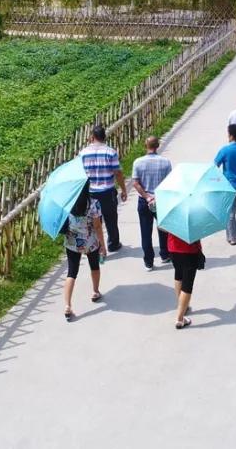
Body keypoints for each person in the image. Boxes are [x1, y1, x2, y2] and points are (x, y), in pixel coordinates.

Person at [61, 181, 105, 321]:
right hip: (90, 241)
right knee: (94, 266)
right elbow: (97, 226)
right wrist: (102, 245)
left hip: (72, 242)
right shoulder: (93, 203)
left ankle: (67, 305)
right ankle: (95, 291)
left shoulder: (68, 203)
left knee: (71, 272)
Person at [80, 124, 126, 252]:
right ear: (104, 137)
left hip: (91, 193)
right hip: (107, 191)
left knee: (94, 221)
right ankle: (113, 243)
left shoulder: (83, 154)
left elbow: (80, 174)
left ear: (92, 137)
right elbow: (117, 172)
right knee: (111, 219)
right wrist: (123, 189)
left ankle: (96, 245)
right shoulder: (110, 152)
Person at [131, 135, 172, 271]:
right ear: (158, 146)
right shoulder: (166, 162)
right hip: (161, 199)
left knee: (145, 231)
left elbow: (136, 183)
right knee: (163, 228)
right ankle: (165, 254)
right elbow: (169, 182)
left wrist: (147, 196)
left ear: (145, 145)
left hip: (144, 201)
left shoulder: (138, 162)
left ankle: (148, 261)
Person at [167, 230, 202, 330]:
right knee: (187, 284)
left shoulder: (172, 214)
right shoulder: (195, 214)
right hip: (189, 249)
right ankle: (180, 318)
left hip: (173, 247)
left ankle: (182, 306)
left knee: (178, 275)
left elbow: (162, 227)